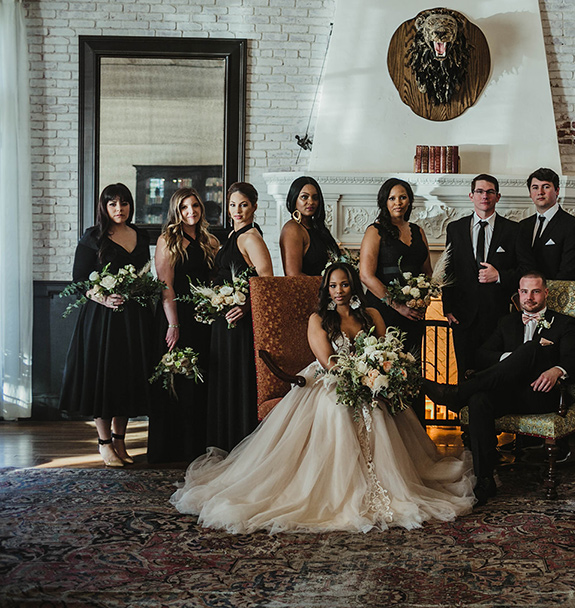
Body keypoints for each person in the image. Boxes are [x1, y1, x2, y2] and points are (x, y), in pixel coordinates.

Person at [171, 263, 475, 533]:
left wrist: (375, 373)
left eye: (344, 284)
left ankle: (390, 482)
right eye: (333, 285)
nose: (339, 291)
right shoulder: (318, 319)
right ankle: (337, 490)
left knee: (381, 409)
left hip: (369, 378)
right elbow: (327, 360)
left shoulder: (371, 314)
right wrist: (357, 377)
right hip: (330, 379)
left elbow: (386, 352)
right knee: (338, 408)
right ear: (326, 289)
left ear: (353, 286)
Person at [425, 272, 575, 505]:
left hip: (541, 395)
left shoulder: (564, 323)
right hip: (508, 394)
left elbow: (574, 361)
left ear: (546, 293)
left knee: (531, 349)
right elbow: (482, 355)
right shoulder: (506, 322)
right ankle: (485, 478)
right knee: (479, 400)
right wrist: (512, 357)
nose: (529, 297)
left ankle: (458, 393)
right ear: (518, 293)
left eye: (536, 291)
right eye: (524, 291)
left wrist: (556, 370)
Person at [60, 184, 153, 467]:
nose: (119, 209)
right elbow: (79, 280)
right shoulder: (93, 237)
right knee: (104, 379)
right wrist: (103, 298)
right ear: (104, 207)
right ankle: (104, 444)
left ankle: (120, 440)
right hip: (102, 320)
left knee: (126, 379)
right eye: (112, 204)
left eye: (124, 203)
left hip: (133, 319)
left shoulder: (141, 235)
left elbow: (145, 273)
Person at [148, 188, 219, 464]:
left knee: (198, 382)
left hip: (202, 317)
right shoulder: (167, 240)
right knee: (175, 380)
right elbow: (165, 285)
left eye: (195, 206)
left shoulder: (209, 241)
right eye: (185, 208)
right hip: (174, 316)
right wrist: (173, 324)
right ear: (176, 211)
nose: (191, 212)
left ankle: (196, 448)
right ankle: (169, 450)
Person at [207, 181, 274, 452]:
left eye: (244, 205)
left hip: (242, 322)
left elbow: (266, 280)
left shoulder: (250, 237)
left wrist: (245, 307)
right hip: (227, 321)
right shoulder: (234, 236)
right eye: (233, 205)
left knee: (239, 379)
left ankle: (242, 444)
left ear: (254, 207)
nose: (237, 210)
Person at [441, 174, 520, 374]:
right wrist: (447, 308)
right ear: (471, 195)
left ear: (498, 197)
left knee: (495, 374)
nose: (485, 196)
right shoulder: (455, 229)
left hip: (498, 317)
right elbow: (447, 269)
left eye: (490, 192)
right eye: (480, 191)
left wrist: (499, 276)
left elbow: (527, 271)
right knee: (464, 374)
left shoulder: (513, 230)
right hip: (462, 317)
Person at [359, 178, 432, 356]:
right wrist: (398, 305)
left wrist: (424, 300)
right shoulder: (374, 231)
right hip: (383, 309)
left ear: (410, 201)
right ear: (384, 201)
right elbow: (366, 275)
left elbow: (427, 271)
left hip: (414, 310)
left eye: (403, 197)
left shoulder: (418, 231)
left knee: (414, 360)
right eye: (392, 198)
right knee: (387, 363)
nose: (398, 203)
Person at [516, 167, 575, 280]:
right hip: (526, 295)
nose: (540, 192)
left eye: (546, 187)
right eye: (535, 187)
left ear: (557, 191)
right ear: (530, 193)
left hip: (557, 293)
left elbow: (570, 270)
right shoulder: (523, 226)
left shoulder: (573, 226)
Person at [279, 176, 340, 276]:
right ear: (294, 199)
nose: (311, 202)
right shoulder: (292, 229)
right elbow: (293, 276)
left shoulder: (316, 228)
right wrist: (326, 285)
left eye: (315, 198)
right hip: (306, 291)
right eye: (304, 197)